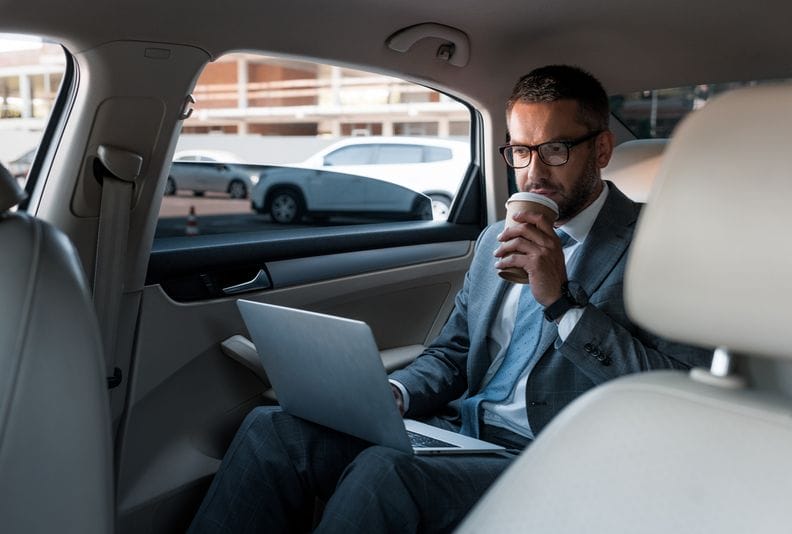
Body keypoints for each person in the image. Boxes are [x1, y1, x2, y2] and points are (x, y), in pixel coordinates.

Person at [189, 65, 712, 533]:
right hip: (459, 431)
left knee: (385, 474)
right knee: (272, 428)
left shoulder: (659, 246)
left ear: (600, 150)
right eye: (521, 151)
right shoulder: (493, 240)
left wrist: (563, 305)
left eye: (555, 150)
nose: (533, 173)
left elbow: (671, 391)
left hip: (550, 453)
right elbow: (454, 354)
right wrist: (395, 395)